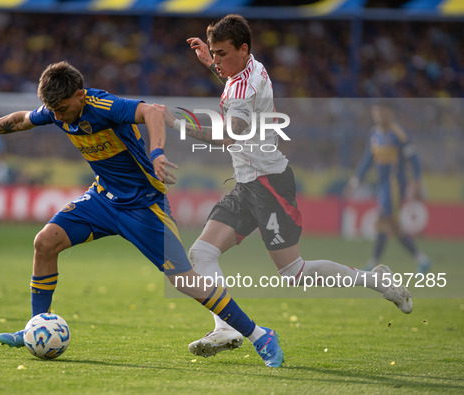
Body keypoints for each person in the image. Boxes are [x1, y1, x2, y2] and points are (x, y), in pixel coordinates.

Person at [0, 60, 285, 367]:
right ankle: (35, 327)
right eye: (54, 110)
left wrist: (156, 153)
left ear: (80, 95)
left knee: (184, 281)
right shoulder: (57, 111)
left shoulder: (103, 106)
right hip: (102, 200)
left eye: (64, 108)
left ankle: (260, 335)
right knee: (45, 242)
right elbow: (21, 120)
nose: (60, 116)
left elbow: (152, 112)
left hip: (144, 205)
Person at [157, 14, 413, 359]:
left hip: (269, 185)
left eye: (221, 53)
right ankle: (225, 328)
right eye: (213, 53)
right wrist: (212, 64)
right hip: (247, 184)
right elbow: (233, 86)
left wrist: (174, 123)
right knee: (202, 253)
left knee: (294, 272)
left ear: (243, 49)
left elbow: (227, 134)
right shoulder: (251, 68)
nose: (215, 59)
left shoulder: (242, 86)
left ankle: (376, 280)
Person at [345, 104, 431, 274]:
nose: (379, 116)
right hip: (382, 185)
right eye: (376, 112)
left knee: (383, 221)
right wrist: (355, 181)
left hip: (395, 184)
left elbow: (413, 159)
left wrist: (416, 182)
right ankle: (421, 259)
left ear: (390, 114)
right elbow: (367, 159)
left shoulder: (398, 133)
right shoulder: (374, 134)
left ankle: (373, 263)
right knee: (392, 225)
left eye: (382, 112)